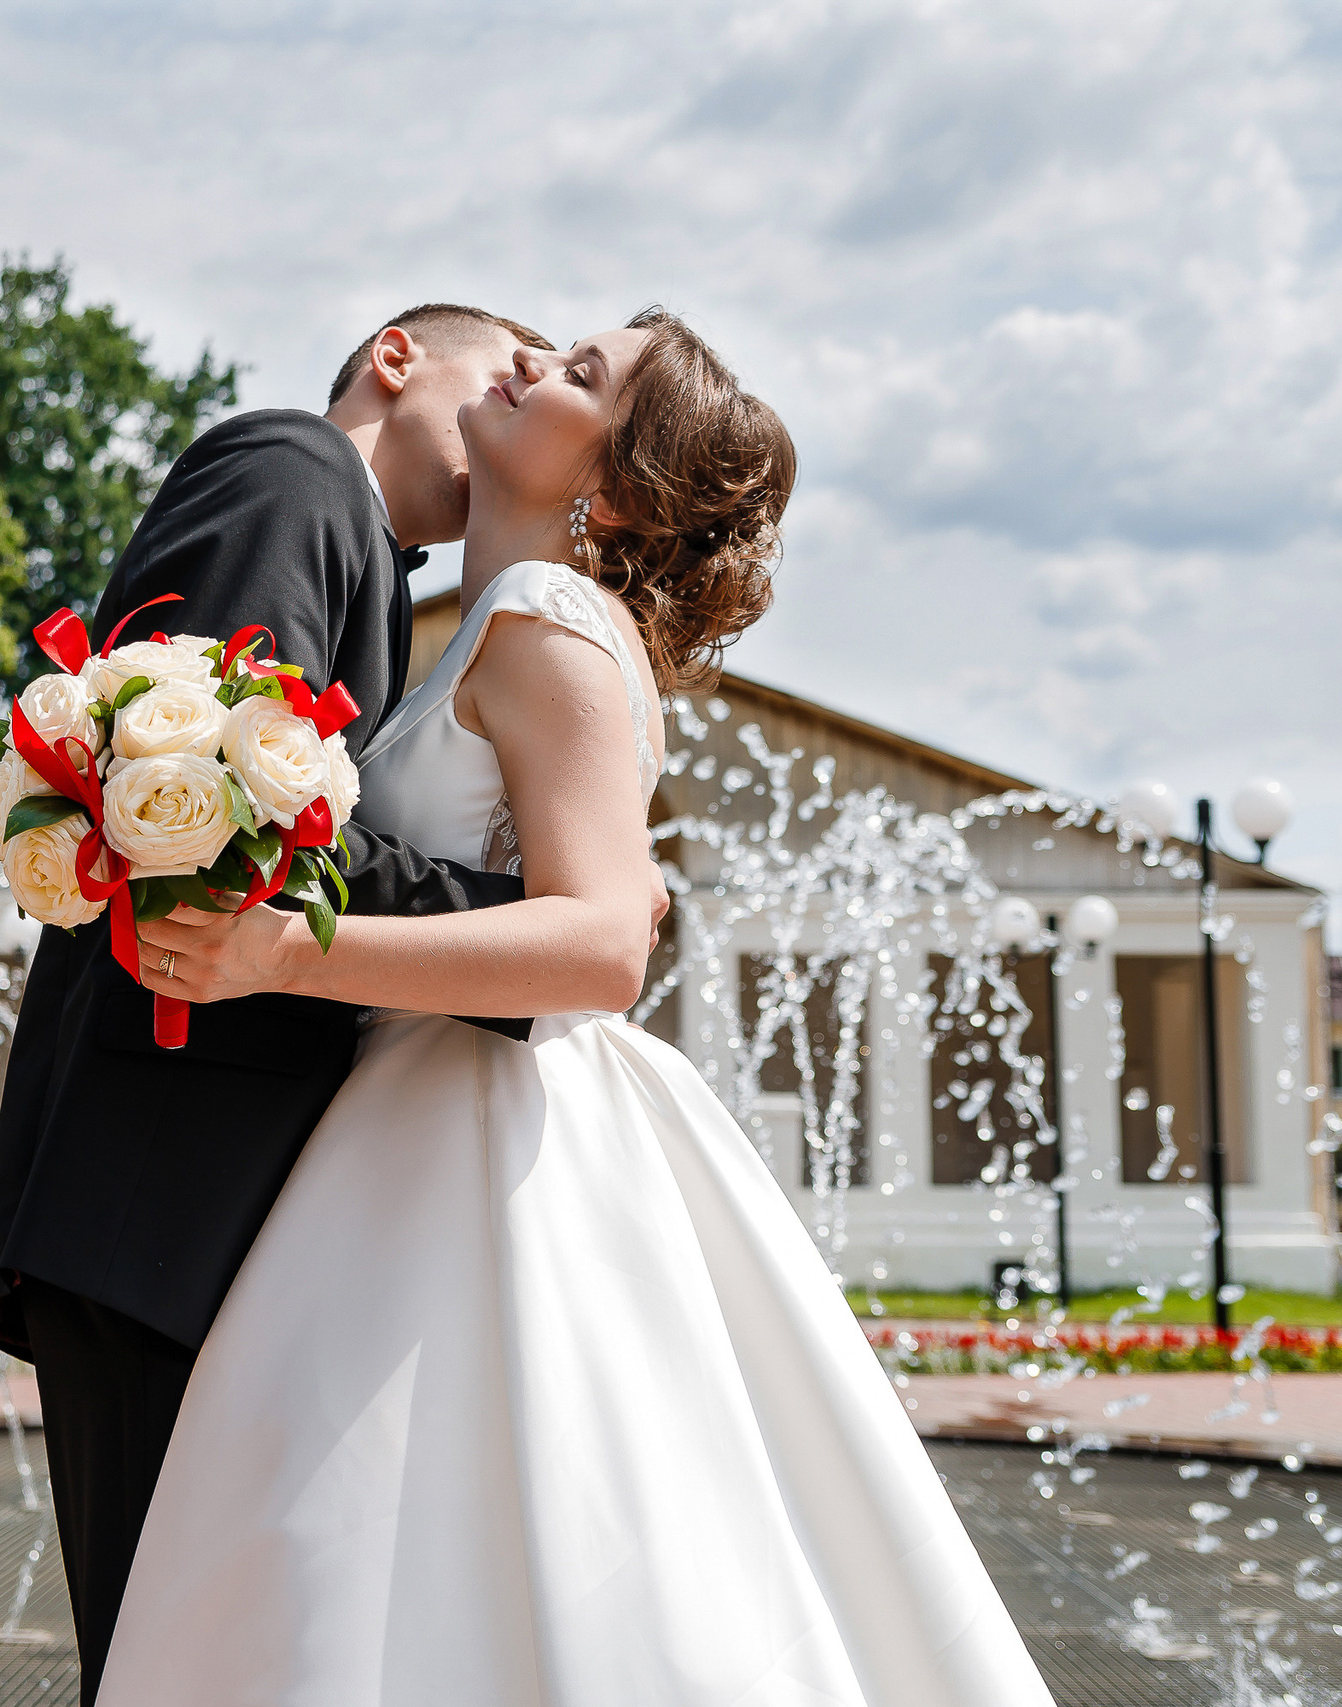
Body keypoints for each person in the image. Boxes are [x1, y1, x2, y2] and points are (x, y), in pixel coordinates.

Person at [109, 312, 1056, 1704]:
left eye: (579, 374)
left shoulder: (547, 618)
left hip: (478, 1133)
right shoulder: (490, 624)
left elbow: (606, 942)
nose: (526, 362)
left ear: (609, 490)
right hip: (405, 1120)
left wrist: (282, 954)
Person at [0, 303, 625, 1701]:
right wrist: (536, 933)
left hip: (202, 1189)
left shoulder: (386, 572)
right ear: (393, 357)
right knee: (165, 1658)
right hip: (160, 1180)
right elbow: (215, 814)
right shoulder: (292, 475)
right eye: (497, 357)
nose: (519, 380)